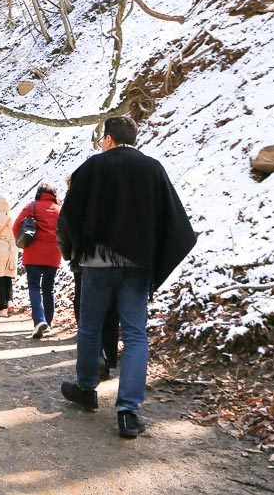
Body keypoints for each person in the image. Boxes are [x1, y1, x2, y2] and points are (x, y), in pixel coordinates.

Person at [59, 116, 196, 438]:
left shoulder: (92, 167)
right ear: (134, 139)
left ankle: (86, 390)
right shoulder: (153, 169)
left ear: (107, 139)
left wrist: (71, 253)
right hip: (137, 266)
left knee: (90, 328)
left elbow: (68, 217)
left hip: (96, 264)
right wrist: (153, 259)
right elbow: (175, 222)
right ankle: (128, 412)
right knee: (135, 335)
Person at [58, 174, 119, 379]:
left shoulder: (72, 199)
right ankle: (109, 357)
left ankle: (95, 355)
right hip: (110, 260)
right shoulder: (105, 197)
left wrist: (68, 253)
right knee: (109, 309)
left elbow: (63, 229)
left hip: (82, 260)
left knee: (84, 309)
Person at [15, 183, 63, 338]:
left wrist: (22, 242)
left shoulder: (31, 207)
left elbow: (16, 226)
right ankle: (48, 324)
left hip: (33, 254)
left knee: (34, 288)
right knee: (49, 289)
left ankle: (39, 321)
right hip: (53, 254)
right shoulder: (60, 209)